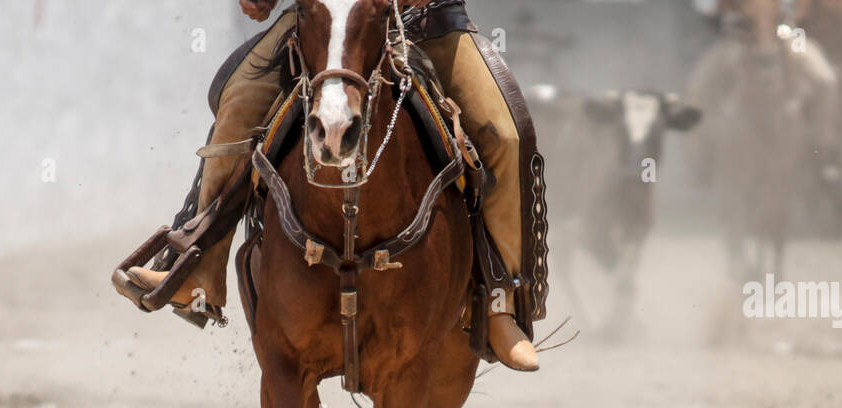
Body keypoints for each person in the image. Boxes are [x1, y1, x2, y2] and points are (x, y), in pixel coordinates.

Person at [125, 0, 544, 371]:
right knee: (238, 104)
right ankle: (200, 266)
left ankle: (500, 304)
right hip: (325, 21)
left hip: (430, 24)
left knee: (507, 137)